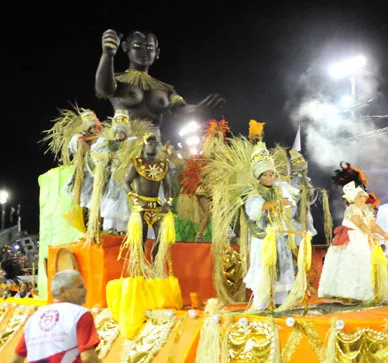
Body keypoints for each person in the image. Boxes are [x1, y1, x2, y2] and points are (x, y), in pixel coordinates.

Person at [96, 30, 224, 138]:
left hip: (154, 148)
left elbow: (180, 108)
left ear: (157, 53)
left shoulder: (166, 88)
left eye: (149, 48)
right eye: (137, 46)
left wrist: (197, 109)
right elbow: (103, 89)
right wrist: (108, 55)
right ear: (125, 47)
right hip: (123, 144)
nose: (144, 51)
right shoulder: (117, 80)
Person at [243, 142, 298, 311]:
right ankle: (261, 303)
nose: (270, 177)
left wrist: (286, 203)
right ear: (259, 176)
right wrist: (277, 203)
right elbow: (256, 210)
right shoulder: (253, 191)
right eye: (266, 174)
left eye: (271, 174)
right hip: (263, 238)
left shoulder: (278, 190)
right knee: (264, 267)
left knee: (281, 268)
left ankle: (281, 302)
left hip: (278, 235)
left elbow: (291, 206)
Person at [319, 181, 388, 303]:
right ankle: (347, 294)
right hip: (352, 240)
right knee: (350, 266)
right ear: (354, 198)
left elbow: (372, 225)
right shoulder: (352, 209)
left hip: (363, 240)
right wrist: (371, 234)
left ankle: (362, 294)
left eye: (364, 196)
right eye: (360, 196)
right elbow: (359, 223)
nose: (363, 199)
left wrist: (384, 234)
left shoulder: (366, 210)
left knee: (364, 266)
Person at [10, 270, 100, 363]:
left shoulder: (34, 318)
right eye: (80, 287)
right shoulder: (80, 314)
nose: (85, 290)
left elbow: (16, 359)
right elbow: (89, 358)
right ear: (63, 291)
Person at [124, 133, 173, 271]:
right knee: (140, 238)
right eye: (149, 143)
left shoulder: (163, 165)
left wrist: (168, 203)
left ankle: (155, 266)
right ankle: (138, 268)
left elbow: (169, 187)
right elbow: (126, 183)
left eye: (155, 143)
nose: (152, 145)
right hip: (141, 206)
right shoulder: (136, 163)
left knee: (162, 237)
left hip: (157, 206)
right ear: (144, 145)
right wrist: (136, 199)